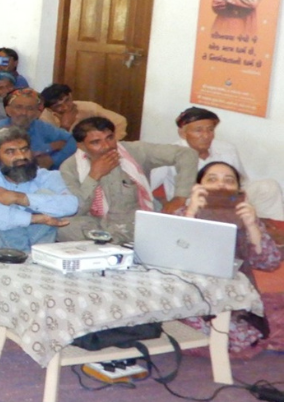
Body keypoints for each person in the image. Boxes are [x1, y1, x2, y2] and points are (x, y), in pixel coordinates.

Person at [177, 162, 283, 358]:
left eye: (228, 181)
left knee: (240, 334)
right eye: (212, 179)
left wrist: (252, 226)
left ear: (238, 189)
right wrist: (191, 213)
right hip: (190, 290)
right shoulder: (183, 214)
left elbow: (270, 263)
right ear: (198, 187)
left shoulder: (245, 215)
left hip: (233, 290)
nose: (220, 185)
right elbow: (170, 256)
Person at [58, 116, 198, 244]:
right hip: (97, 226)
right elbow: (76, 210)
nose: (107, 146)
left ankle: (109, 244)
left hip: (134, 224)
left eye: (110, 138)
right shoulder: (70, 167)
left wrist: (180, 196)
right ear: (81, 146)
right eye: (96, 142)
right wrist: (93, 176)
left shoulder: (134, 151)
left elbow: (186, 154)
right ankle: (109, 243)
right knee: (66, 227)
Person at [0, 127, 78, 264]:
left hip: (35, 241)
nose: (21, 157)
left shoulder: (47, 176)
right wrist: (34, 218)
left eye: (24, 149)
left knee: (45, 195)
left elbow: (71, 205)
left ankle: (28, 261)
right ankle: (26, 262)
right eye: (10, 152)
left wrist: (20, 198)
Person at [150, 107, 283, 220]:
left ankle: (273, 229)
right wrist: (165, 202)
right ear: (183, 133)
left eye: (210, 130)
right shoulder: (169, 153)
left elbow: (242, 181)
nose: (206, 135)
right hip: (193, 202)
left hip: (228, 196)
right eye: (199, 130)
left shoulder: (227, 149)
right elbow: (147, 186)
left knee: (268, 187)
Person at [0, 88, 76, 169]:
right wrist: (48, 147)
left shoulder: (41, 127)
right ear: (8, 111)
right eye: (19, 107)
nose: (24, 113)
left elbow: (74, 140)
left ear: (37, 114)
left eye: (30, 108)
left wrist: (53, 160)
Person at [38, 83, 128, 141]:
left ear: (70, 95)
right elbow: (53, 145)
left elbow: (120, 121)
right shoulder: (45, 119)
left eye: (67, 100)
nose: (65, 107)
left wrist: (109, 142)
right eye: (58, 106)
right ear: (50, 109)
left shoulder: (89, 108)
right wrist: (65, 127)